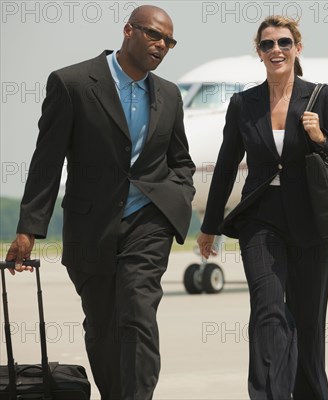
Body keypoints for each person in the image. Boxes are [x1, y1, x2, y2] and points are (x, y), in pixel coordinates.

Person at [4, 5, 195, 399]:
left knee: (138, 314)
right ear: (128, 30)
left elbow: (181, 161)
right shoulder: (72, 83)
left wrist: (177, 197)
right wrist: (28, 229)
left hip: (149, 221)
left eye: (169, 41)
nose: (162, 45)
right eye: (154, 35)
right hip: (90, 227)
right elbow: (47, 161)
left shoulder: (170, 95)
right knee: (102, 325)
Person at [198, 15, 328, 400]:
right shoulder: (243, 104)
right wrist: (210, 225)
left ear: (297, 49)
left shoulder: (322, 97)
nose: (276, 50)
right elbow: (224, 166)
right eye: (267, 44)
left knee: (307, 322)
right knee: (268, 312)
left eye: (284, 43)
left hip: (311, 219)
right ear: (259, 52)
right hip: (261, 217)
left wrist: (320, 137)